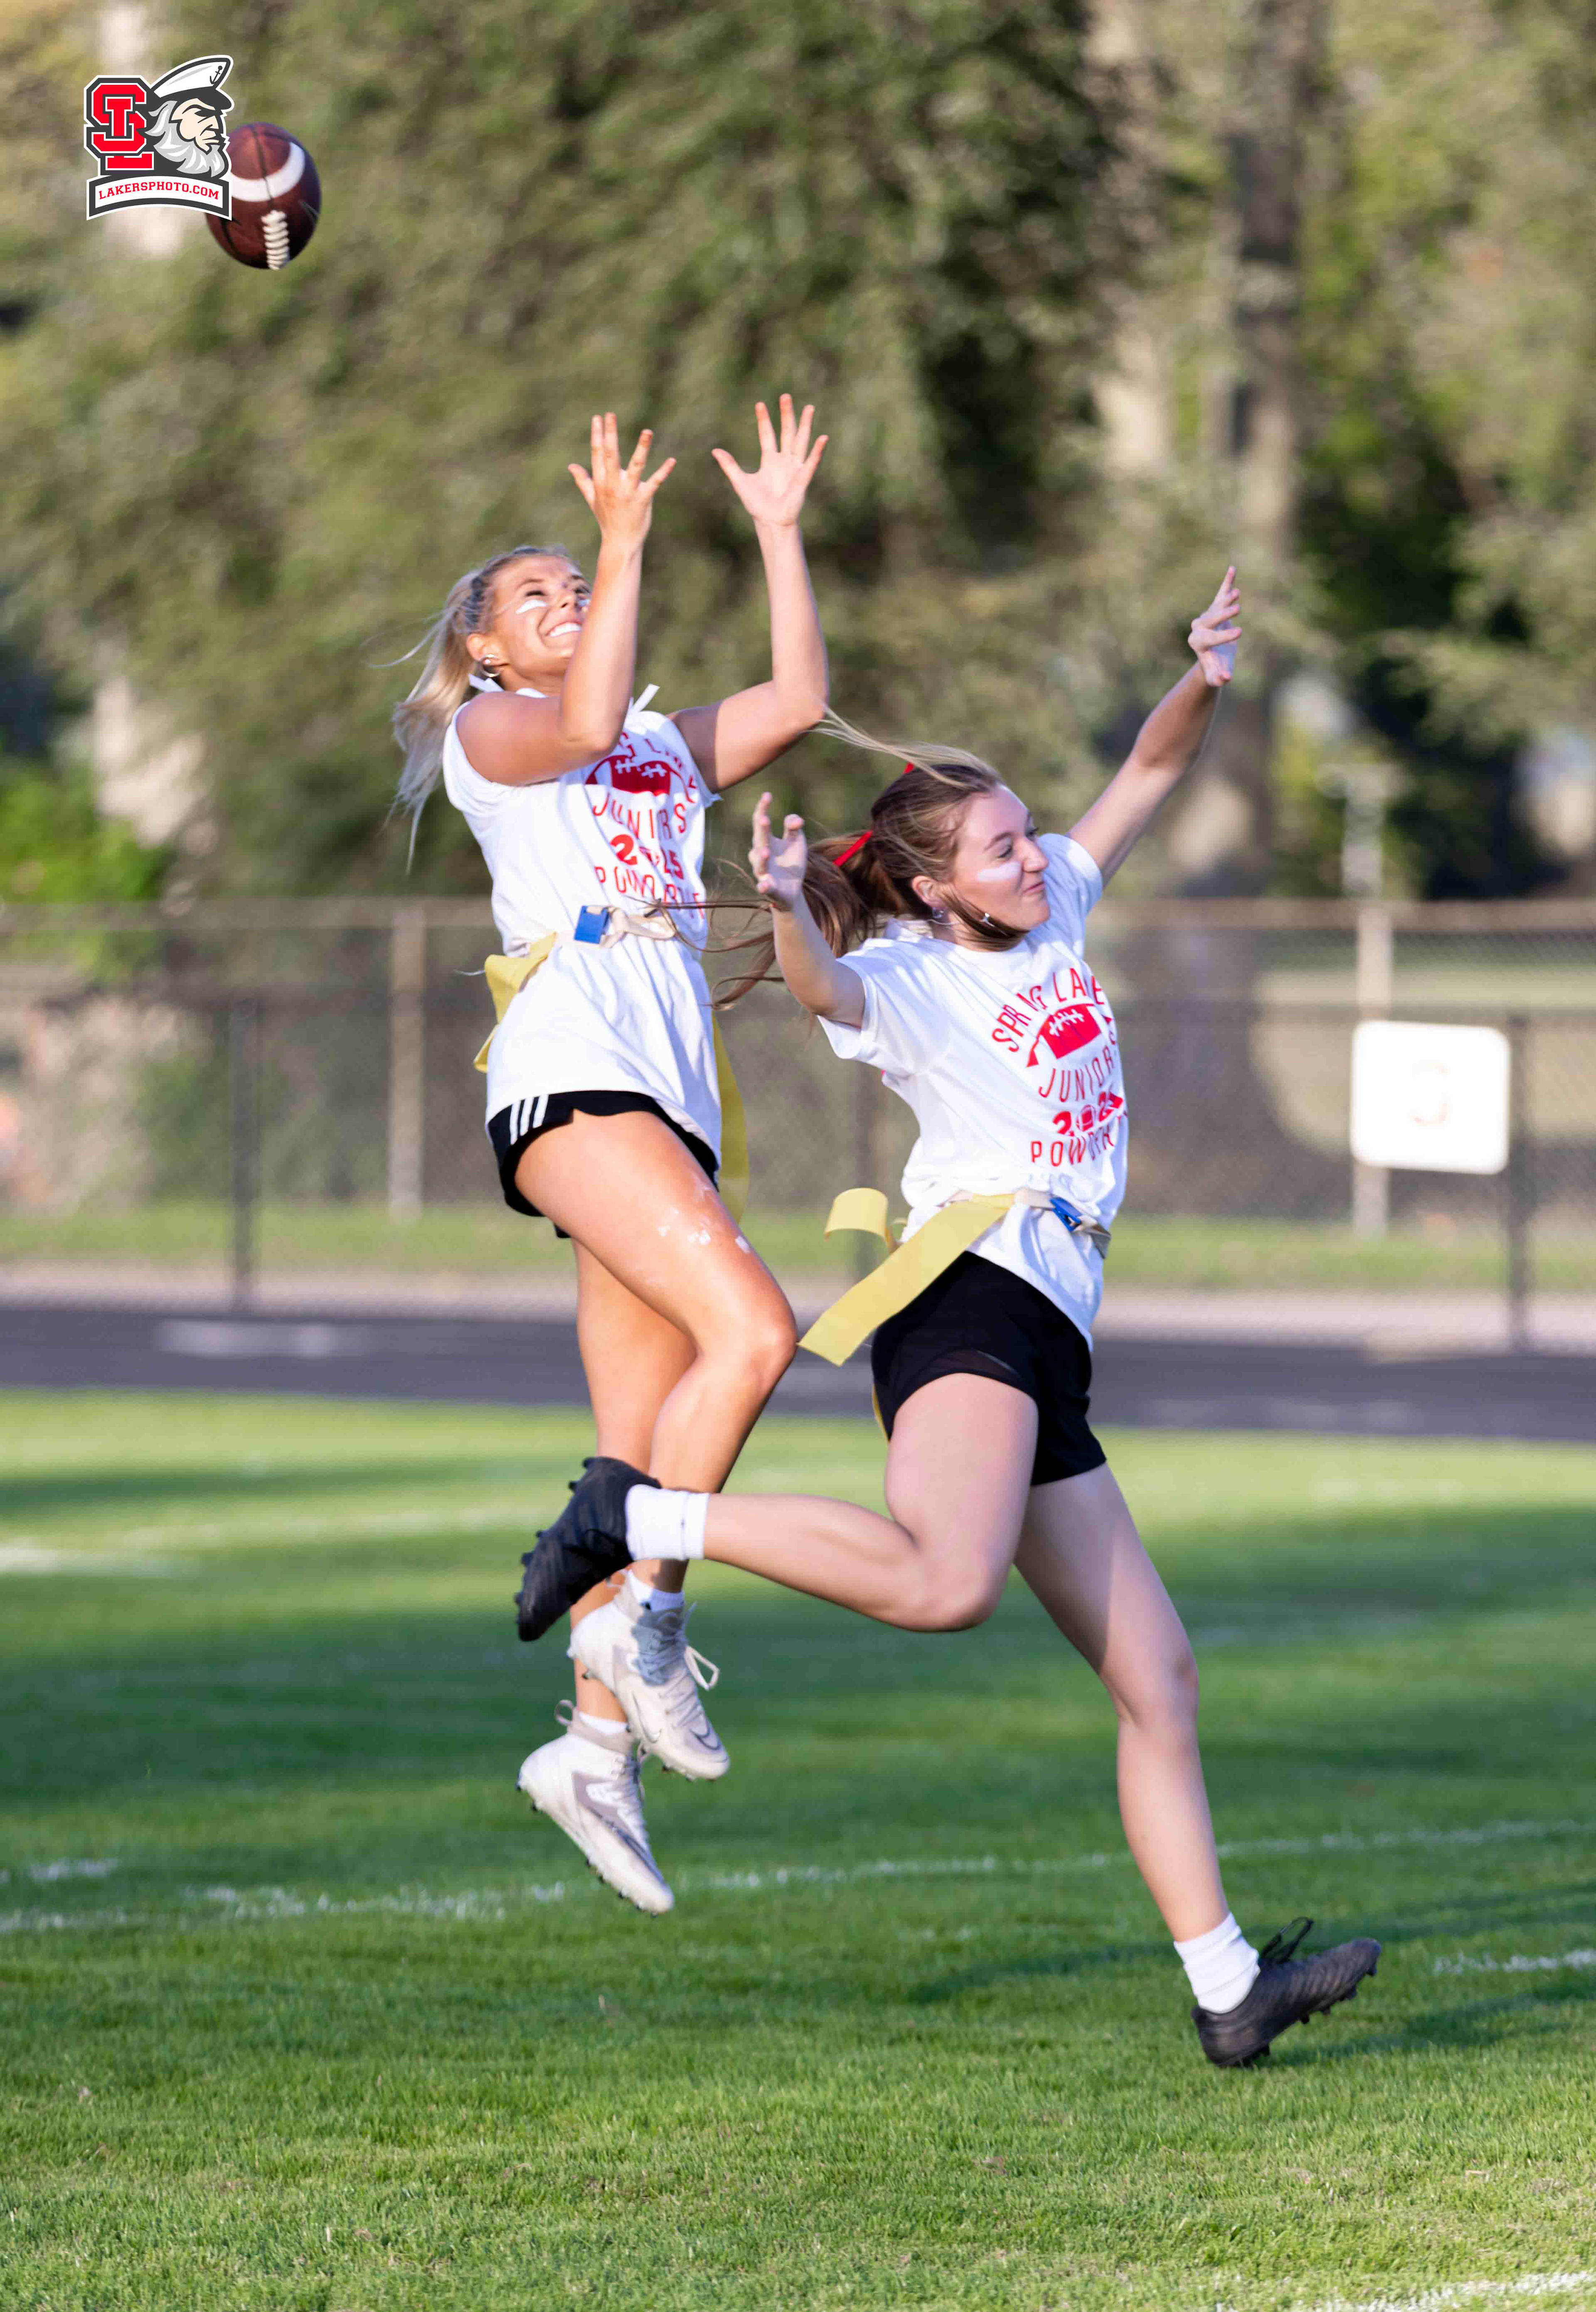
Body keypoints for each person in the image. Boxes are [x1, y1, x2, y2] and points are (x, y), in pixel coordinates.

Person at [514, 568, 1382, 2066]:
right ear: (935, 888)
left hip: (1052, 1327)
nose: (1035, 856)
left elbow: (1151, 769)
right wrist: (786, 901)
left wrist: (1204, 676)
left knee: (1159, 1677)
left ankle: (1230, 1988)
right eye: (1001, 848)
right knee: (943, 1584)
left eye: (1028, 834)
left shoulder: (1056, 903)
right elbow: (823, 990)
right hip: (967, 1296)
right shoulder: (907, 976)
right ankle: (633, 1517)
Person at [393, 399, 830, 1914]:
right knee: (757, 1331)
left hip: (667, 1082)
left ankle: (588, 1750)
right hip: (574, 1073)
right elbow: (578, 726)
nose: (565, 595)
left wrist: (778, 532)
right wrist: (625, 538)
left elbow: (800, 696)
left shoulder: (650, 741)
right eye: (536, 594)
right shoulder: (492, 731)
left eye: (574, 582)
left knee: (639, 1444)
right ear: (485, 648)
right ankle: (645, 1618)